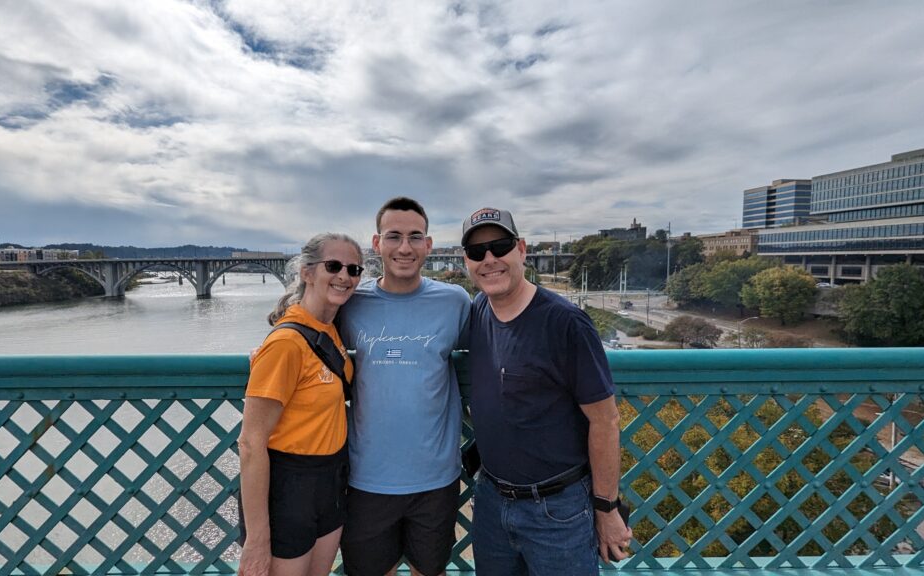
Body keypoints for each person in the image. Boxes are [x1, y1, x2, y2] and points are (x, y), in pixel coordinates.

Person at [461, 207, 632, 576]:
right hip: (491, 501)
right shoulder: (478, 311)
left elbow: (606, 421)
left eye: (500, 246)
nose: (489, 259)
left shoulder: (565, 322)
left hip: (558, 509)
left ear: (521, 249)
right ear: (467, 262)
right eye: (477, 253)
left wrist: (606, 508)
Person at [336, 197, 472, 576]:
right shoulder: (351, 302)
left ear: (428, 245)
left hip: (436, 477)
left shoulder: (454, 301)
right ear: (376, 244)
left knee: (429, 571)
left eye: (415, 237)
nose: (405, 247)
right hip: (367, 476)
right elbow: (309, 329)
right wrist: (272, 342)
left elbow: (492, 347)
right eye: (394, 237)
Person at [237, 233, 365, 576]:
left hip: (331, 484)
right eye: (334, 266)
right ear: (307, 272)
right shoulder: (285, 344)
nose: (345, 276)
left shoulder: (330, 330)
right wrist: (257, 540)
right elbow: (250, 444)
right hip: (288, 490)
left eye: (354, 269)